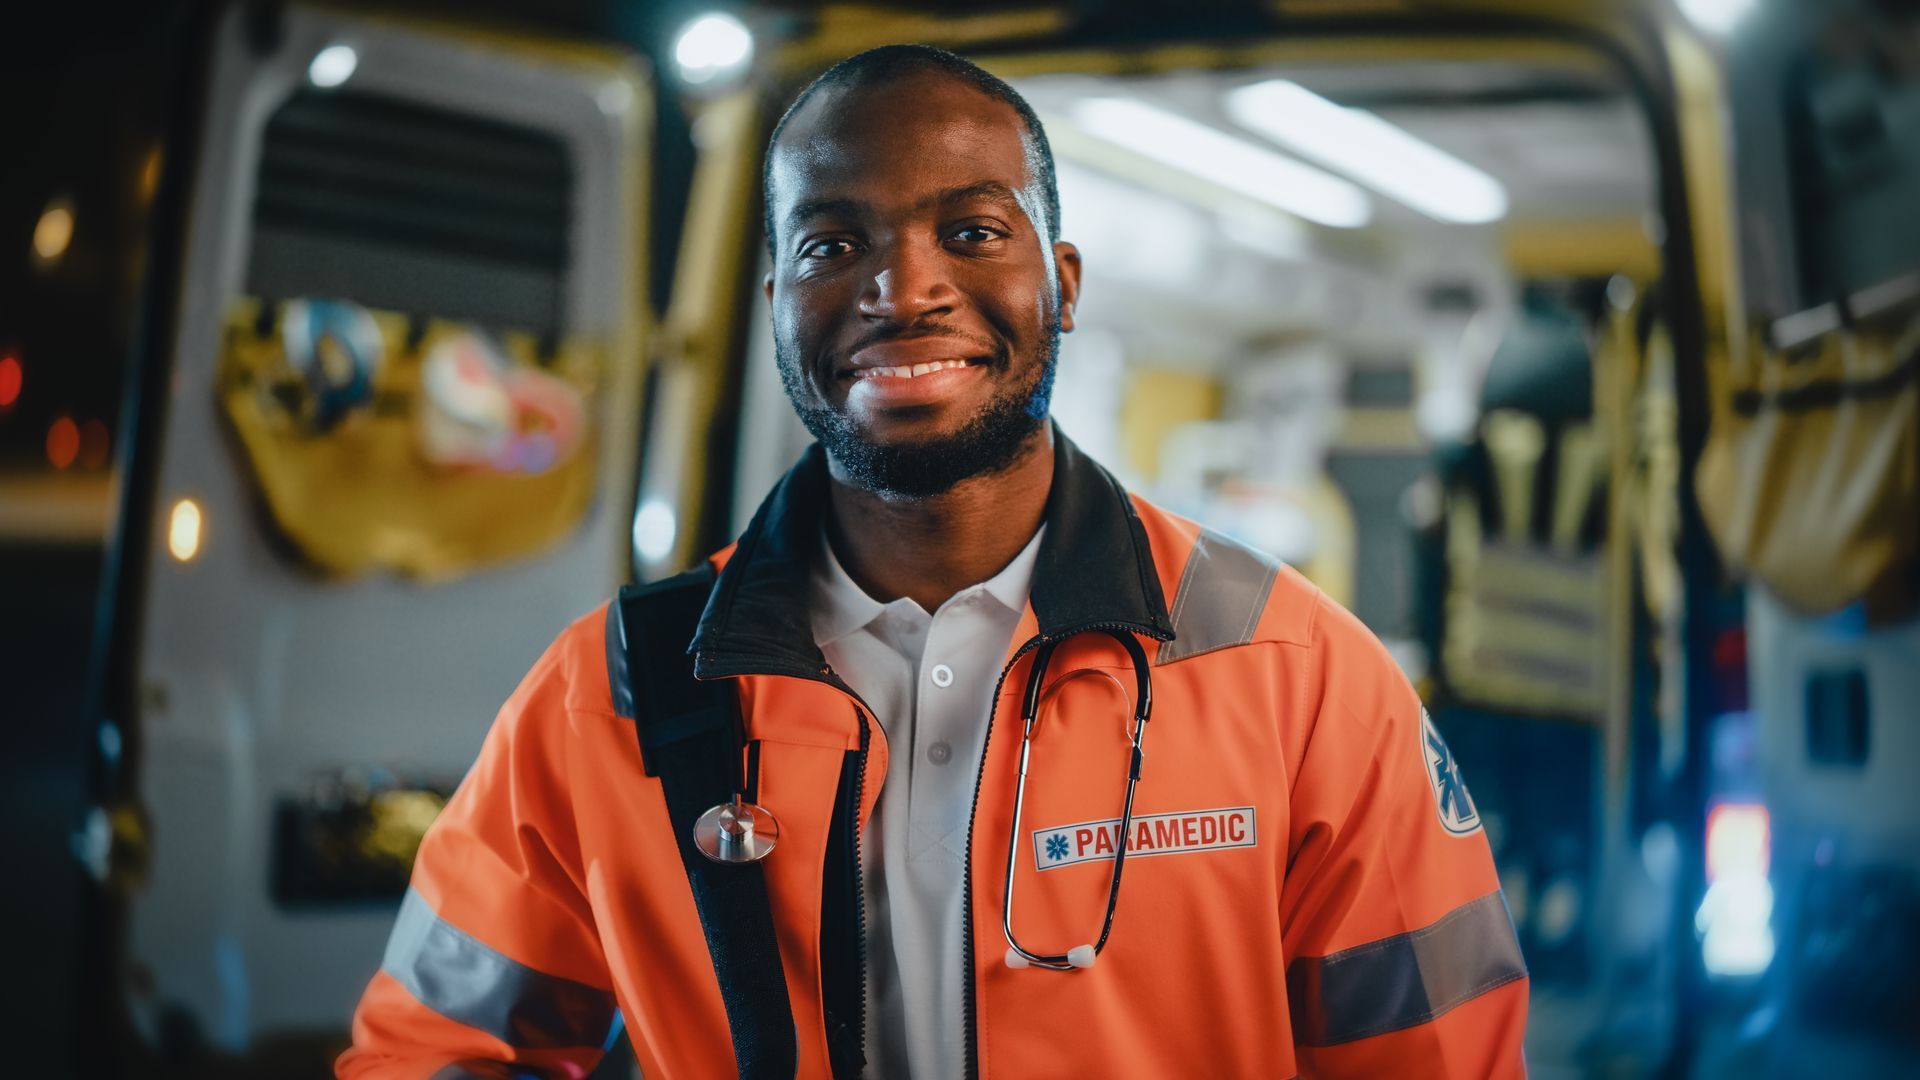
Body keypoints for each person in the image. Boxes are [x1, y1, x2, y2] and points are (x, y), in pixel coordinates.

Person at [339, 44, 1528, 1079]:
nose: (901, 288)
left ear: (1058, 286)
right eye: (832, 241)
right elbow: (434, 1050)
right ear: (775, 305)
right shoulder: (614, 695)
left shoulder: (1295, 678)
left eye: (970, 231)